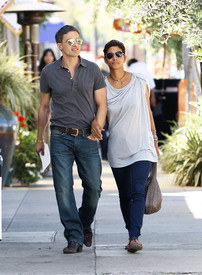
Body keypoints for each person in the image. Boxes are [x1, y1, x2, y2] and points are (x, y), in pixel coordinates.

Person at [35, 25, 107, 254]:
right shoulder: (49, 72)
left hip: (87, 136)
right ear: (60, 46)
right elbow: (44, 107)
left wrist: (99, 123)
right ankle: (73, 237)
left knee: (94, 187)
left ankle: (83, 223)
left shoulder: (93, 70)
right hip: (59, 137)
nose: (76, 44)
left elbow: (102, 104)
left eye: (78, 40)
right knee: (63, 188)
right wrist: (39, 138)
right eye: (70, 41)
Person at [103, 40, 159, 253]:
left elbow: (148, 112)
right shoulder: (102, 86)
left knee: (137, 190)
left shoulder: (140, 82)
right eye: (110, 55)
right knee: (124, 194)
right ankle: (131, 229)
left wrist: (154, 140)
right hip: (118, 146)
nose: (115, 57)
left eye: (118, 53)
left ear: (125, 57)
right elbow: (100, 115)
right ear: (105, 59)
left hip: (142, 145)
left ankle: (134, 236)